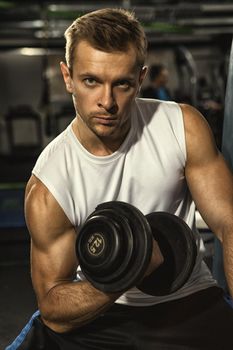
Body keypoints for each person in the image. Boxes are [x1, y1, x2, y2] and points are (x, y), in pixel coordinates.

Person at [6, 8, 233, 350]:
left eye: (122, 84)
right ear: (67, 77)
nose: (107, 102)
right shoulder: (50, 183)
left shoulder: (181, 127)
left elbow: (230, 225)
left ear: (140, 78)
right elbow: (52, 306)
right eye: (91, 81)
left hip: (188, 302)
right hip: (99, 315)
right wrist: (132, 267)